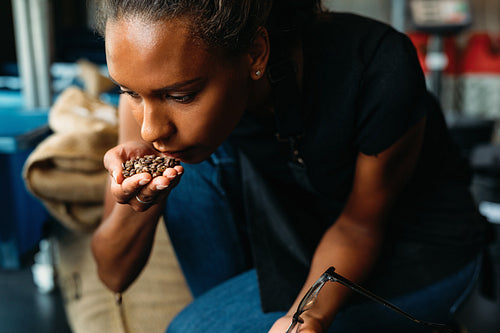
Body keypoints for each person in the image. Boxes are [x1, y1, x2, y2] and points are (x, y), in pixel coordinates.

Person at [91, 1, 489, 332]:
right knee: (191, 171)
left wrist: (304, 318)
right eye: (130, 93)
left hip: (415, 249)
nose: (150, 127)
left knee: (193, 329)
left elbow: (360, 225)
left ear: (255, 54)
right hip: (295, 228)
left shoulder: (377, 68)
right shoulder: (150, 94)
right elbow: (114, 273)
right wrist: (141, 199)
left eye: (180, 94)